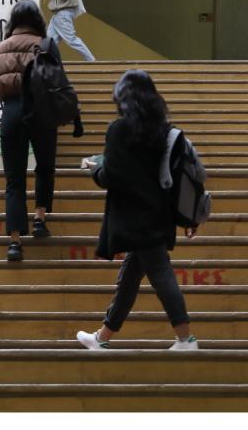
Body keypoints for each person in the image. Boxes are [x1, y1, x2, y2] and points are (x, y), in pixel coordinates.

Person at [76, 70, 199, 350]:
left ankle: (186, 339)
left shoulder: (119, 130)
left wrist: (95, 171)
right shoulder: (165, 133)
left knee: (161, 275)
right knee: (130, 279)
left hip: (135, 218)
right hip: (160, 215)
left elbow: (113, 176)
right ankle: (101, 339)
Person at [0, 0, 75, 262]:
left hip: (12, 112)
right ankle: (39, 219)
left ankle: (15, 243)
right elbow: (57, 78)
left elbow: (1, 86)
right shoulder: (47, 44)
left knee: (14, 180)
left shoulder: (1, 48)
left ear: (14, 21)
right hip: (42, 113)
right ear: (38, 20)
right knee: (45, 166)